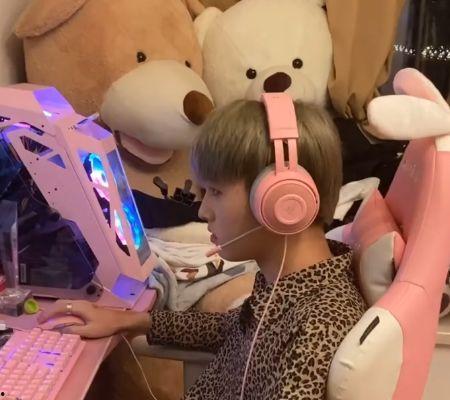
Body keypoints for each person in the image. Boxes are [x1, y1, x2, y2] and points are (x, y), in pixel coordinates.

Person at [38, 97, 366, 399]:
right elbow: (231, 327)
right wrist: (130, 321)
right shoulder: (292, 285)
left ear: (281, 200)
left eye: (216, 192)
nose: (203, 210)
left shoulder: (318, 326)